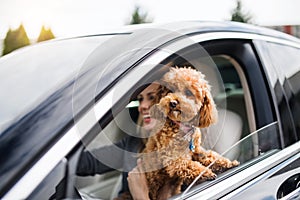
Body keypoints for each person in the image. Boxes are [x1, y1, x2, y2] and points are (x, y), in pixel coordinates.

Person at [76, 82, 172, 200]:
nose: (142, 106)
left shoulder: (187, 159)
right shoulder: (133, 144)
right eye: (140, 99)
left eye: (151, 97)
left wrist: (140, 196)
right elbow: (89, 162)